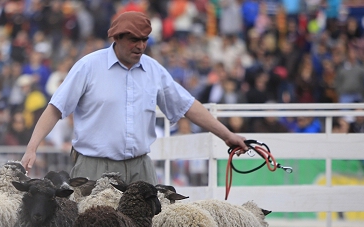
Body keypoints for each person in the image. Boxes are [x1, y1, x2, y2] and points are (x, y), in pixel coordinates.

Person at [20, 11, 247, 183]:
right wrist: (32, 148)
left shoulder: (154, 70)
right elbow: (55, 108)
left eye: (144, 40)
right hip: (93, 168)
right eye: (133, 40)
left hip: (140, 169)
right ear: (116, 38)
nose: (140, 46)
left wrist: (227, 135)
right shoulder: (88, 66)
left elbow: (188, 106)